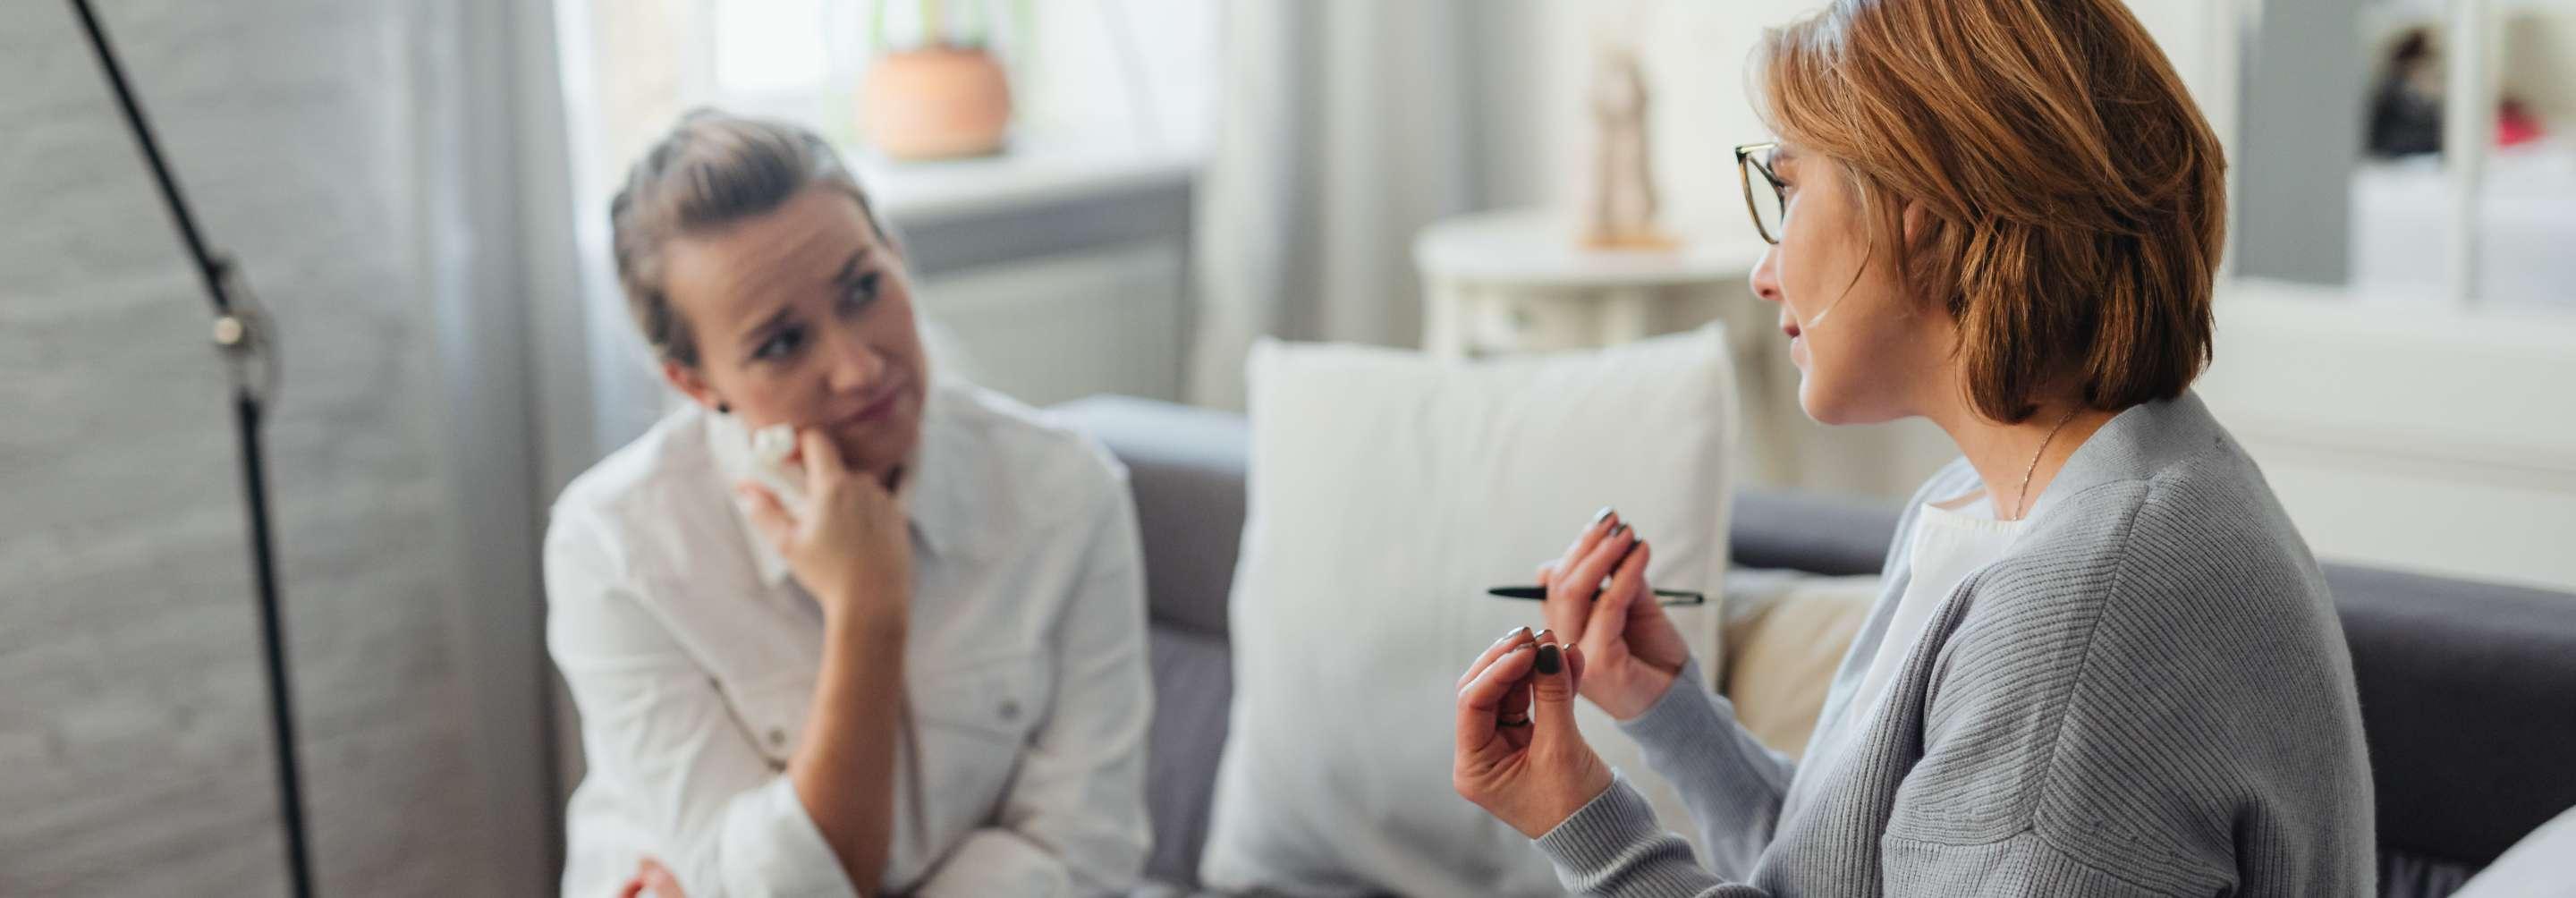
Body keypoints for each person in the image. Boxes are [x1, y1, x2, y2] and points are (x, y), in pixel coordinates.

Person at [1450, 0, 2375, 894]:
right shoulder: (2006, 500)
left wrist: (1585, 827)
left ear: (1921, 204)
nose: (1764, 272)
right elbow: (1853, 873)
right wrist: (1671, 711)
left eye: (1787, 188)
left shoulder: (2077, 615)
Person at [545, 111, 1151, 897]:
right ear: (697, 386)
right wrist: (868, 614)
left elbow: (1086, 853)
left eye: (865, 289)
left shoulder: (1066, 494)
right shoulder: (616, 547)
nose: (860, 368)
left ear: (895, 254)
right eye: (782, 344)